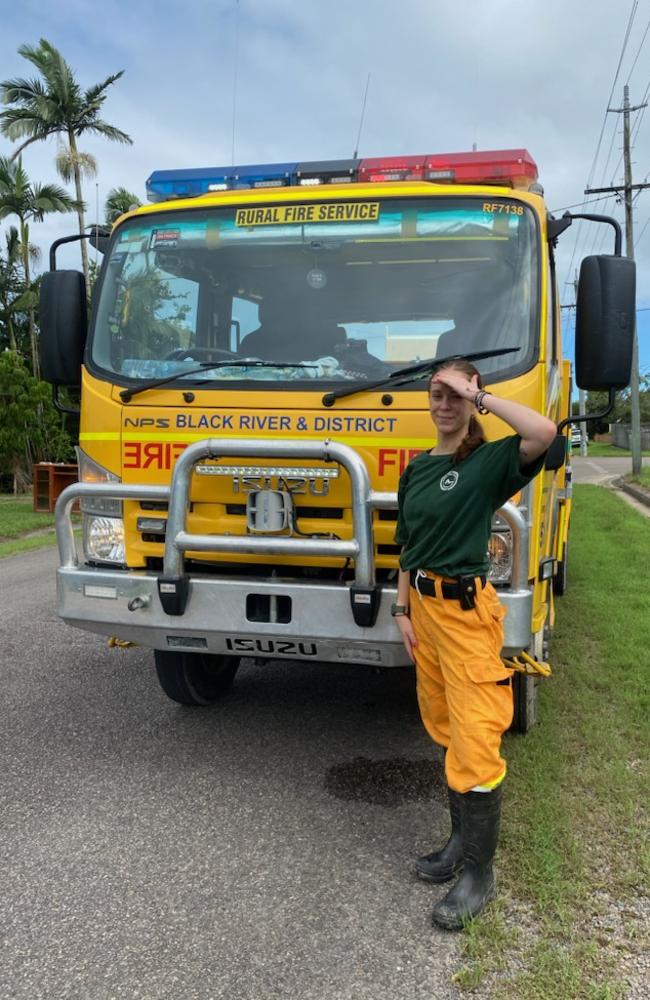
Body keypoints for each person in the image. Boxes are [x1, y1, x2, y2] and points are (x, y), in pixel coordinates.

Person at [392, 358, 556, 930]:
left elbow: (543, 434)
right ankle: (459, 845)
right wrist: (401, 609)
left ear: (472, 401)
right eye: (437, 393)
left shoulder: (487, 463)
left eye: (456, 394)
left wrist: (479, 395)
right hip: (427, 616)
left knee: (477, 733)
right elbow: (407, 548)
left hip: (466, 615)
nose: (444, 403)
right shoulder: (415, 470)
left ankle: (479, 874)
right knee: (444, 726)